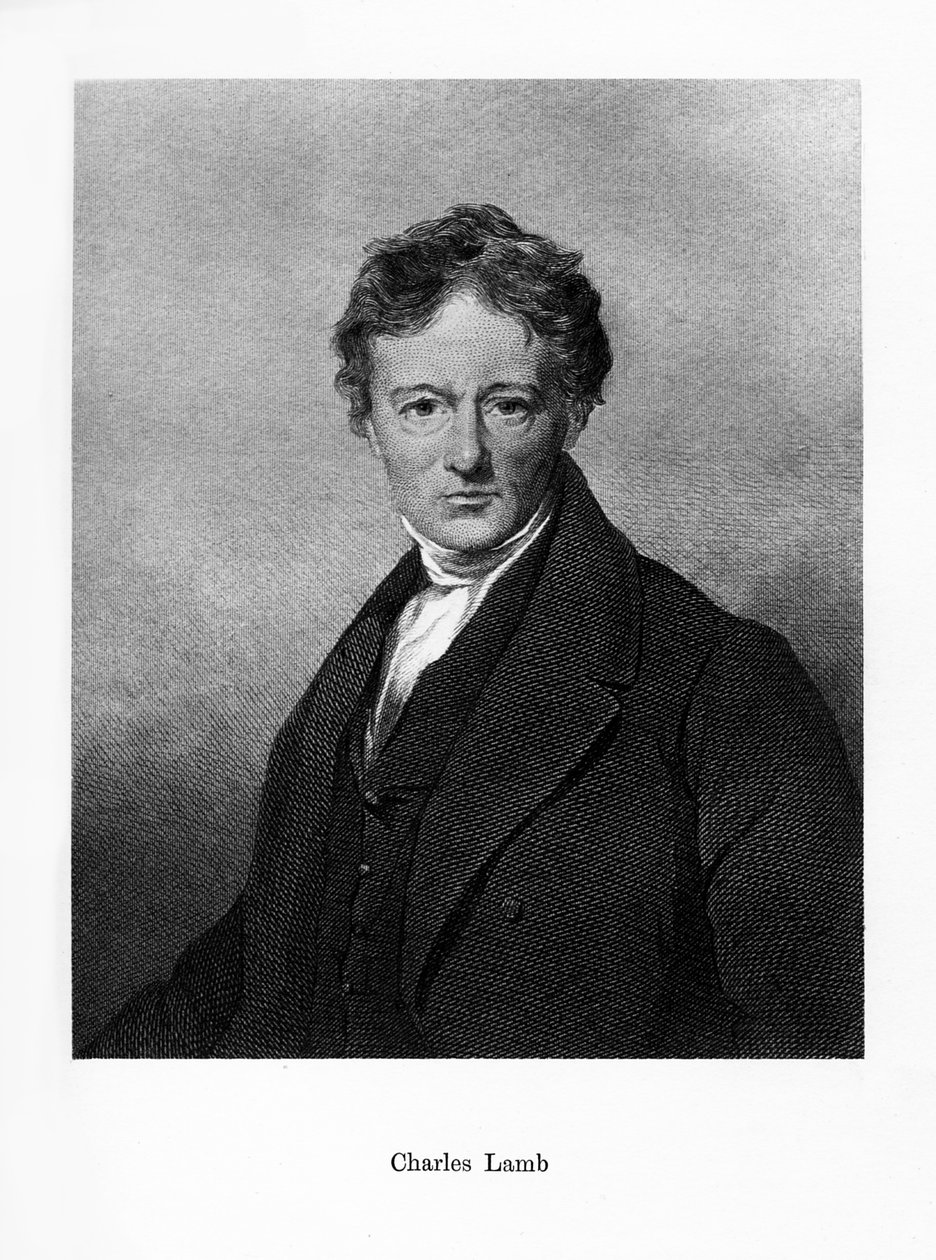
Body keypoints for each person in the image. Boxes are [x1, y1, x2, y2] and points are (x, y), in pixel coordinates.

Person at [80, 204, 861, 1059]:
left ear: (573, 411)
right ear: (367, 419)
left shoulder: (724, 681)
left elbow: (809, 1044)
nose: (465, 454)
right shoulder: (363, 665)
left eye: (508, 406)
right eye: (423, 406)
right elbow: (266, 948)